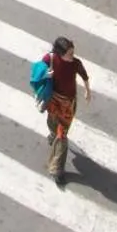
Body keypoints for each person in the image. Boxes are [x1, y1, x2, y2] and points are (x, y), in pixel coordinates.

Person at [42, 35, 91, 183]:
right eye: (69, 54)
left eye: (72, 52)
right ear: (59, 53)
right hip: (53, 100)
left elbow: (84, 76)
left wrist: (88, 91)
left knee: (62, 135)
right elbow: (37, 73)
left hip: (68, 104)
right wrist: (46, 74)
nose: (72, 56)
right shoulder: (49, 59)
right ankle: (52, 134)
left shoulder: (75, 63)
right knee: (52, 123)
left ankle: (56, 169)